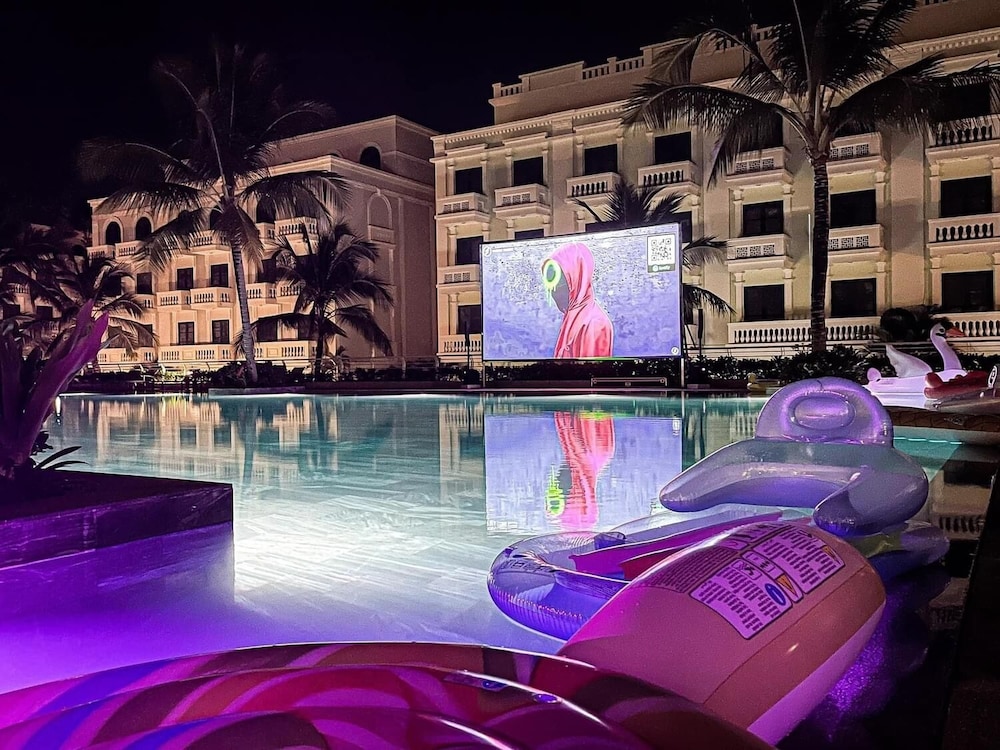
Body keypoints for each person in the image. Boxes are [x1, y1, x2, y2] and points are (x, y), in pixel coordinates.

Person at [542, 242, 613, 359]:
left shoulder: (594, 323)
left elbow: (590, 368)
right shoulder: (573, 316)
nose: (553, 291)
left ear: (577, 277)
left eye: (560, 281)